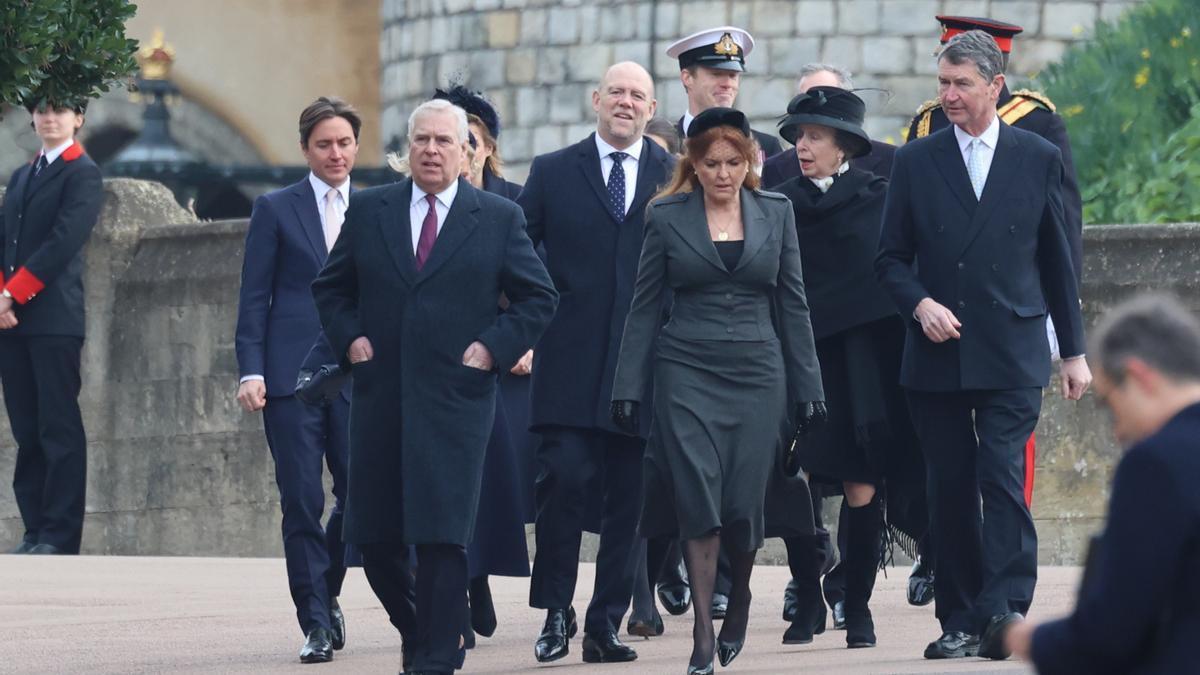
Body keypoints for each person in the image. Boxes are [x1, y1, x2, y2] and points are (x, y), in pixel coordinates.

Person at [312, 98, 556, 674]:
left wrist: (493, 348)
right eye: (421, 140)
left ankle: (437, 656)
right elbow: (332, 288)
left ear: (467, 153)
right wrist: (351, 340)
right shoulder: (371, 210)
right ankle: (424, 629)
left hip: (456, 401)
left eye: (444, 141)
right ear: (406, 148)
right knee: (374, 540)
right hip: (381, 400)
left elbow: (538, 297)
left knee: (445, 537)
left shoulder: (496, 217)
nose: (431, 150)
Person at [874, 30, 1091, 660]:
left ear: (995, 86)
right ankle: (961, 620)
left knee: (1001, 475)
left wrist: (1072, 352)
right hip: (937, 346)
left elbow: (1057, 261)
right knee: (949, 485)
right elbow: (888, 260)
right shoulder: (915, 160)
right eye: (942, 83)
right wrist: (918, 304)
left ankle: (1005, 611)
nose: (949, 96)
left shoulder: (1035, 154)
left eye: (962, 83)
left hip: (1012, 342)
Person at [611, 106, 825, 674]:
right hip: (685, 370)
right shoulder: (666, 216)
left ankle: (742, 596)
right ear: (694, 164)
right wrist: (628, 385)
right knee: (698, 496)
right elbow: (644, 305)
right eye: (711, 163)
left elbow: (794, 304)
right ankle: (703, 632)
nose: (723, 173)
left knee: (742, 501)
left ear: (751, 161)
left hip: (760, 372)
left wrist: (809, 386)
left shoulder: (776, 212)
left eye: (734, 162)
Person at [518, 61, 674, 665]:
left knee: (629, 501)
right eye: (617, 93)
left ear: (651, 107)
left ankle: (604, 624)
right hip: (567, 360)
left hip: (642, 366)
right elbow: (518, 245)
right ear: (595, 100)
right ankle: (556, 610)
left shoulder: (672, 175)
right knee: (563, 483)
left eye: (638, 95)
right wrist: (535, 311)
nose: (626, 103)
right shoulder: (553, 172)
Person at [772, 86, 926, 650]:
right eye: (798, 137)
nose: (803, 146)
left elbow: (893, 278)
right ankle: (808, 600)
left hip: (861, 367)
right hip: (798, 359)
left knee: (862, 485)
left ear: (845, 147)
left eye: (815, 136)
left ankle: (856, 605)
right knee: (796, 483)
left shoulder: (878, 198)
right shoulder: (777, 201)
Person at [999, 294, 1200, 672]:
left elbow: (1115, 624)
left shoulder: (1157, 462)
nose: (1116, 428)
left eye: (1108, 403)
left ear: (1140, 377)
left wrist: (1030, 639)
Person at [234, 97, 360, 663]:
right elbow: (253, 297)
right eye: (324, 144)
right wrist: (251, 370)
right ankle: (314, 620)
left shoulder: (382, 207)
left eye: (344, 143)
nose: (335, 153)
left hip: (359, 376)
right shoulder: (276, 209)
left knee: (361, 496)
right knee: (302, 501)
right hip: (290, 379)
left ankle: (326, 588)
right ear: (306, 149)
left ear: (356, 146)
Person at [436, 84, 532, 645]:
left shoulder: (513, 202)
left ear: (484, 148)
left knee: (490, 483)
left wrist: (518, 341)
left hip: (498, 364)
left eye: (466, 140)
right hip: (437, 363)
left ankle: (477, 578)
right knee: (446, 483)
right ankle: (457, 589)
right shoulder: (413, 203)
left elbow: (536, 284)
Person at [904, 15, 1082, 281]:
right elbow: (909, 219)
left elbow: (1064, 218)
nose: (951, 93)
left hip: (1016, 288)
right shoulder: (930, 122)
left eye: (963, 79)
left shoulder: (1037, 123)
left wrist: (1063, 296)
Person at [0, 98, 103, 557]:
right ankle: (34, 528)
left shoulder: (83, 173)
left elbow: (63, 241)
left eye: (60, 111)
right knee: (26, 427)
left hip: (54, 317)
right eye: (42, 110)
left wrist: (13, 293)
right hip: (12, 317)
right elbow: (8, 241)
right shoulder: (24, 175)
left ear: (78, 119)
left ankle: (59, 535)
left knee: (57, 426)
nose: (49, 118)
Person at [761, 64, 896, 188]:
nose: (814, 108)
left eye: (824, 97)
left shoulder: (889, 161)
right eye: (807, 97)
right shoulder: (775, 169)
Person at [667, 26, 783, 166]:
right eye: (716, 74)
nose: (727, 84)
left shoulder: (766, 147)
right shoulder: (664, 143)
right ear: (687, 78)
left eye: (733, 75)